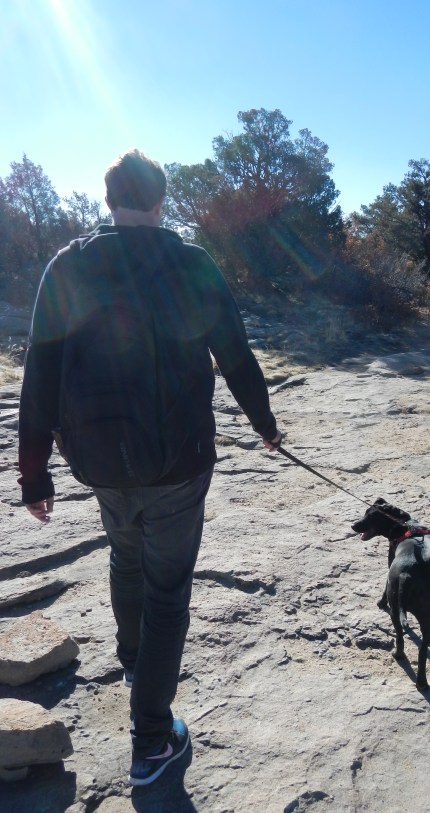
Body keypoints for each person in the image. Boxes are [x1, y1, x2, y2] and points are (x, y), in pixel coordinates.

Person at [17, 149, 283, 786]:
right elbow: (235, 355)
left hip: (100, 461)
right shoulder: (191, 264)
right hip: (180, 462)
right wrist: (266, 425)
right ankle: (152, 741)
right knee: (167, 592)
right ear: (161, 201)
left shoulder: (68, 266)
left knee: (124, 555)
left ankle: (136, 661)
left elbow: (39, 372)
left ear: (107, 201)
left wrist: (34, 472)